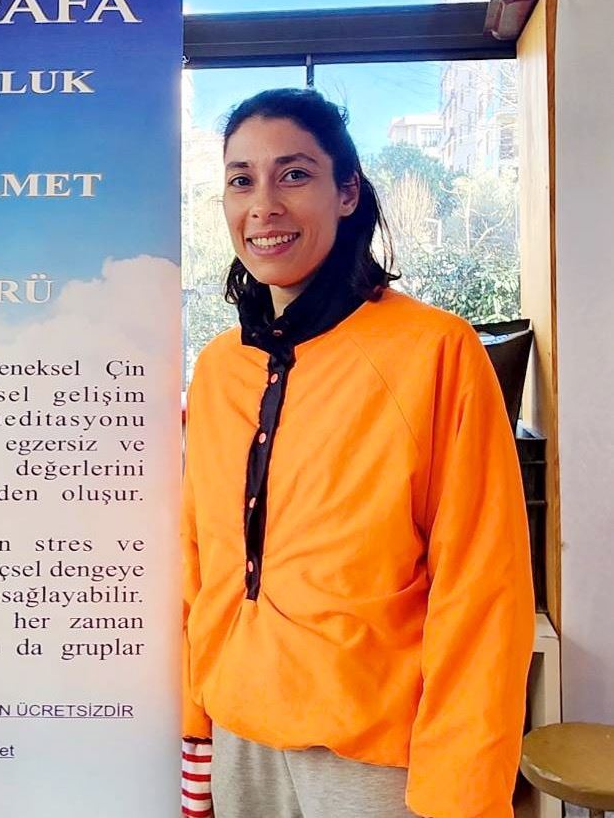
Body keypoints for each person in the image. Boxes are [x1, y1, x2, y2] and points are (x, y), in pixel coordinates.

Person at [180, 88, 535, 818]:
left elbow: (482, 593)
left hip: (374, 756)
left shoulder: (435, 351)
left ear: (347, 192)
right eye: (241, 179)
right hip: (239, 732)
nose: (263, 205)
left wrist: (462, 794)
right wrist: (195, 729)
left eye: (294, 174)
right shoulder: (217, 368)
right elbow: (201, 565)